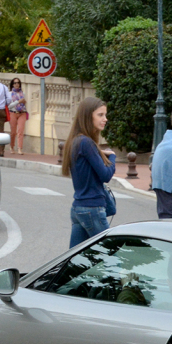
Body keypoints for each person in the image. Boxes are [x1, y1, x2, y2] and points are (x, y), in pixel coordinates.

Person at [61, 97, 116, 246]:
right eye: (100, 115)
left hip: (78, 208)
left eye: (105, 115)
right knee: (111, 257)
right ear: (87, 116)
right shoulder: (86, 142)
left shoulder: (75, 141)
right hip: (92, 209)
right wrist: (113, 157)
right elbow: (106, 175)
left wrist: (99, 152)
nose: (105, 119)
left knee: (75, 260)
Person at [7, 78, 28, 155]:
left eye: (18, 83)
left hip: (22, 112)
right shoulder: (9, 94)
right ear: (12, 84)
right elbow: (9, 106)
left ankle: (19, 148)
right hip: (13, 112)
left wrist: (24, 103)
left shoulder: (23, 93)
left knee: (21, 131)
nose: (17, 84)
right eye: (15, 83)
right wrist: (18, 101)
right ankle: (12, 147)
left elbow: (24, 103)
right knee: (13, 132)